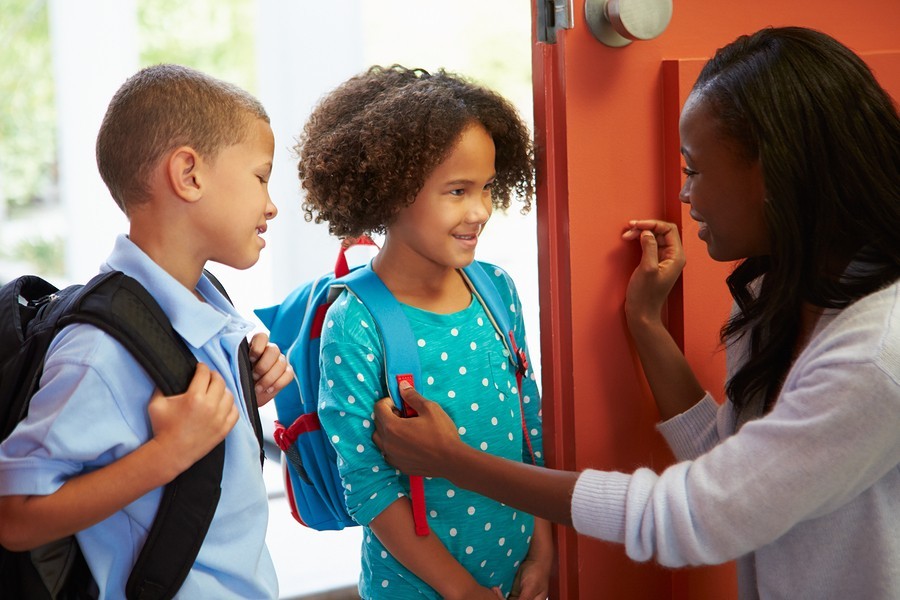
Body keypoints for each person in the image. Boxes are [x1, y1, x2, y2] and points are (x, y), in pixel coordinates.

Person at [372, 26, 900, 599]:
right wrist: (646, 323)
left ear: (774, 171)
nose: (683, 195)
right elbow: (727, 465)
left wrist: (453, 460)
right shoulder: (779, 289)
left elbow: (692, 515)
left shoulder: (876, 357)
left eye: (694, 169)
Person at [0, 64, 294, 599]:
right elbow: (14, 516)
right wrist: (168, 453)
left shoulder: (205, 299)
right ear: (189, 174)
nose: (271, 204)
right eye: (260, 176)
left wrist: (246, 388)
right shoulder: (99, 350)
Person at [296, 65, 552, 600]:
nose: (480, 210)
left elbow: (531, 430)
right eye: (456, 191)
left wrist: (543, 548)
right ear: (389, 192)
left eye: (485, 188)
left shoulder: (497, 290)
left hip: (515, 574)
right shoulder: (356, 322)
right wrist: (463, 591)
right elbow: (369, 487)